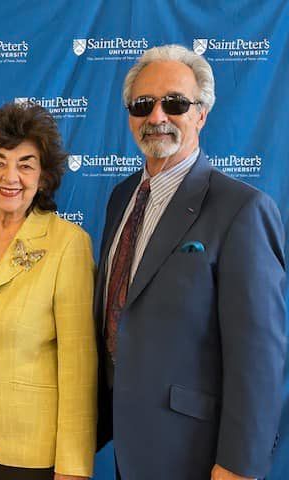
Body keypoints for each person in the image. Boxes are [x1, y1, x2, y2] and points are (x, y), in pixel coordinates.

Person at [95, 44, 286, 480]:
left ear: (201, 113)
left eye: (175, 102)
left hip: (195, 454)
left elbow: (259, 358)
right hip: (125, 444)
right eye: (143, 104)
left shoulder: (242, 209)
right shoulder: (121, 198)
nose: (157, 115)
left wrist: (239, 466)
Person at [0, 102, 97, 480]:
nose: (10, 176)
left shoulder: (68, 243)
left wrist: (74, 466)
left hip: (28, 446)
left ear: (43, 177)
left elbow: (79, 365)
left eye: (25, 164)